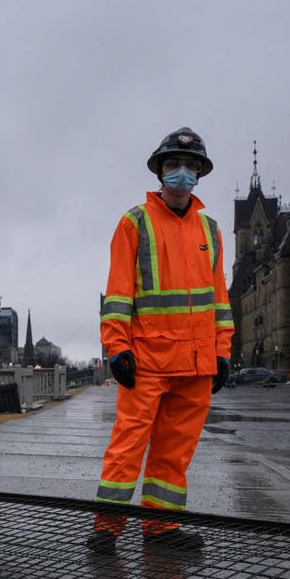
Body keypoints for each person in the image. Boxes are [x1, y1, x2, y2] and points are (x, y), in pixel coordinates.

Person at [93, 127, 234, 553]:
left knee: (174, 454)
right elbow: (118, 294)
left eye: (190, 166)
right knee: (127, 447)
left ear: (200, 173)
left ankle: (161, 529)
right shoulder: (133, 223)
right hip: (149, 361)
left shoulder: (210, 230)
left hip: (195, 366)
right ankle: (106, 528)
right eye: (174, 165)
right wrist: (117, 348)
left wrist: (222, 352)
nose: (182, 173)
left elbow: (219, 300)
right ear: (159, 171)